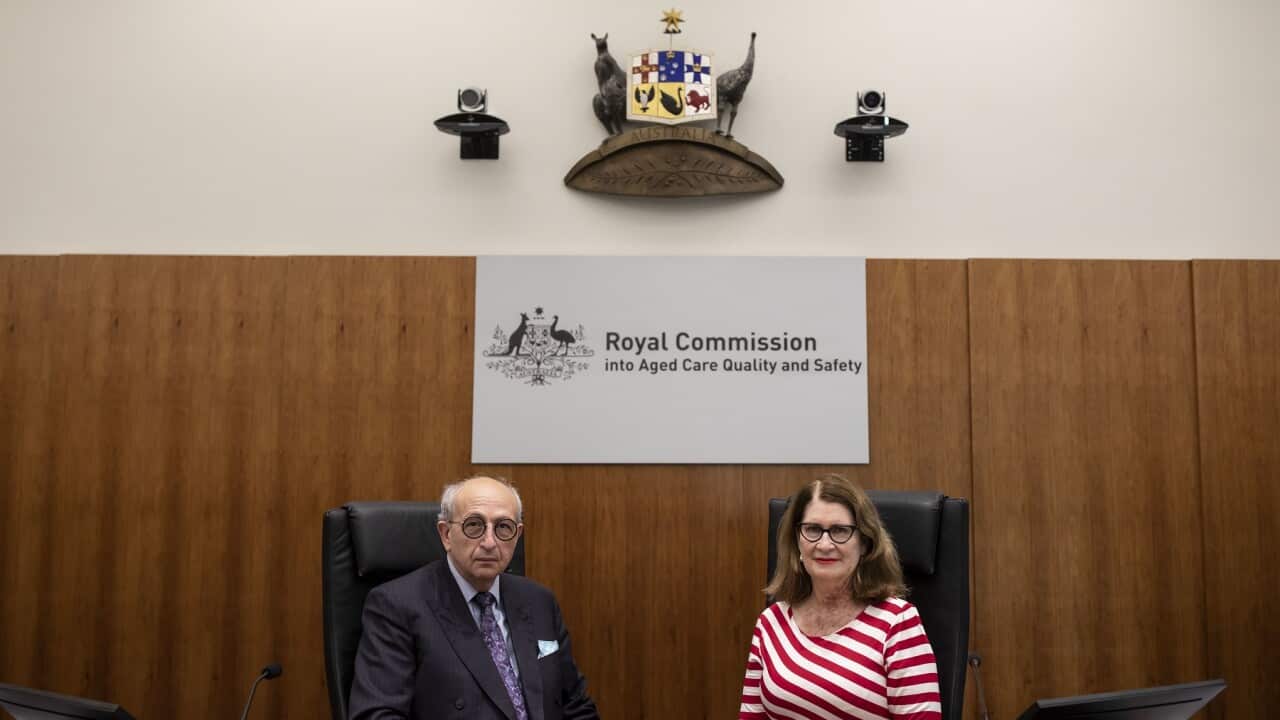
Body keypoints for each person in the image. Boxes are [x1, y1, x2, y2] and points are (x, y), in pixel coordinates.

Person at [348, 476, 600, 720]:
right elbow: (377, 714)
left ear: (517, 535)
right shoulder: (396, 605)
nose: (489, 542)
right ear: (446, 534)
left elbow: (576, 708)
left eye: (503, 527)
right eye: (474, 525)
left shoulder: (539, 601)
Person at [739, 474, 942, 720]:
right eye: (812, 529)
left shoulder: (897, 623)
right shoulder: (771, 623)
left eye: (840, 531)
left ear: (865, 543)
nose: (824, 544)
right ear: (797, 541)